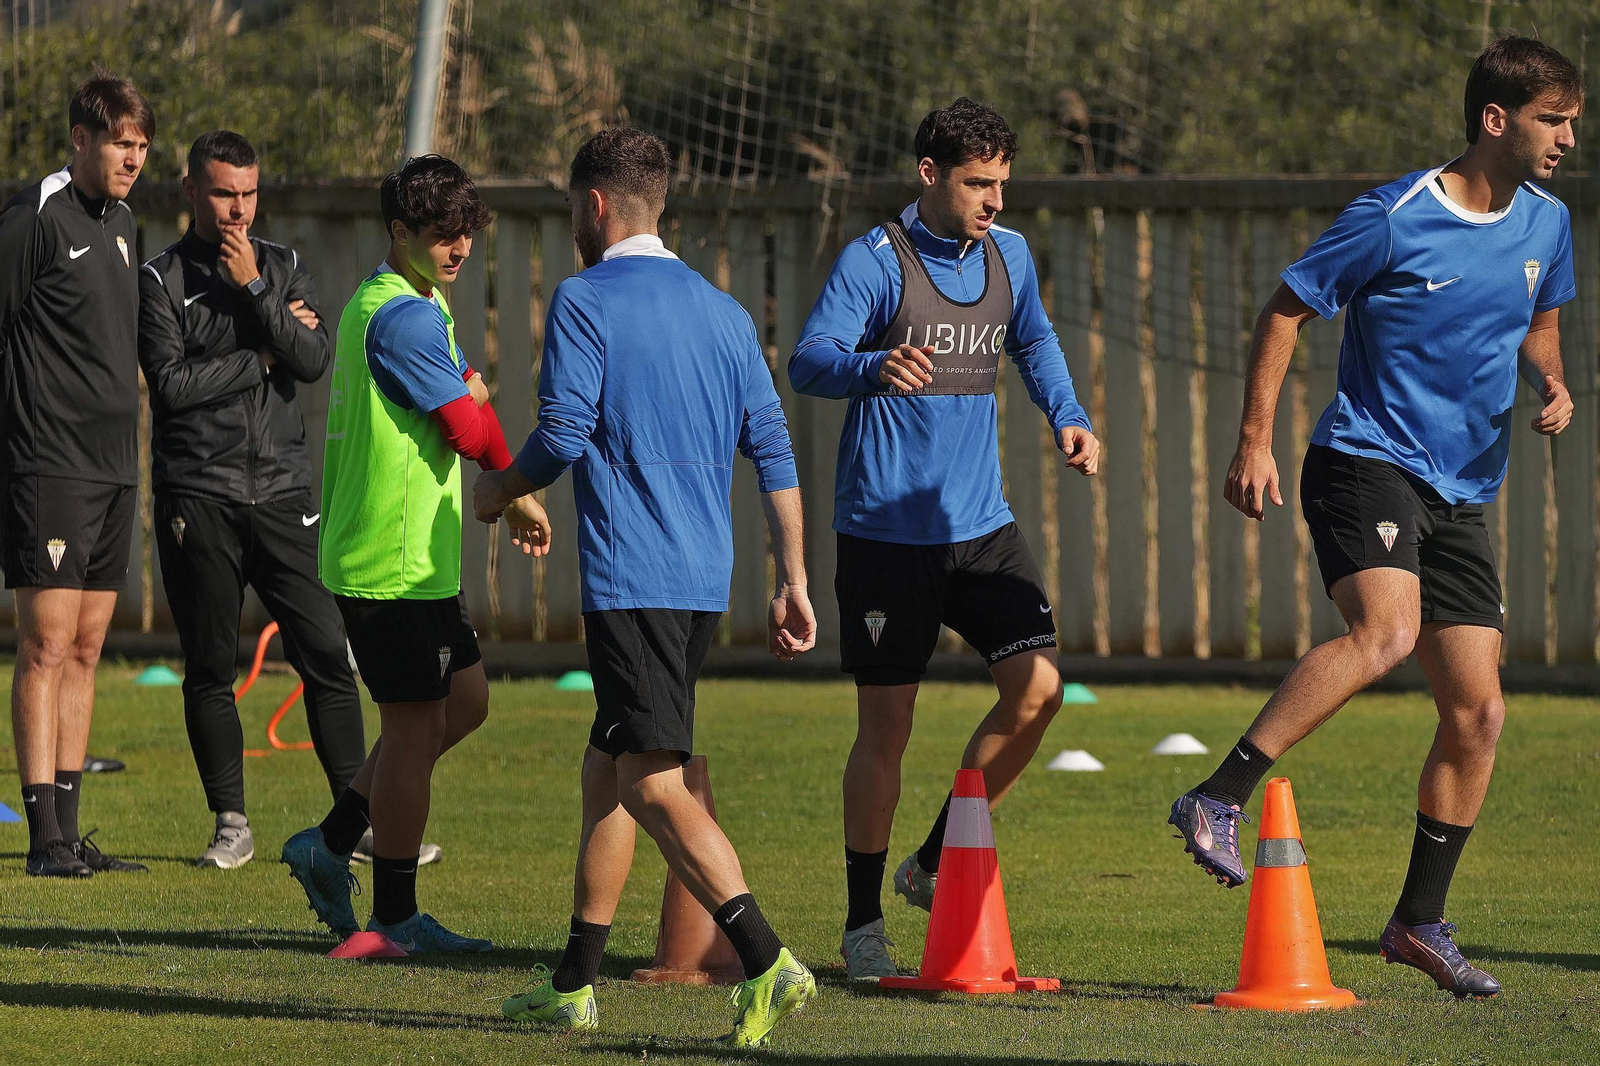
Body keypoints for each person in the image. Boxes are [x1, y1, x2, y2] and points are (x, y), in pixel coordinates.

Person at [1168, 36, 1581, 999]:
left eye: (1570, 121)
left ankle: (1417, 923)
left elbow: (1542, 319)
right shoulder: (1393, 216)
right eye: (1552, 120)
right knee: (1385, 635)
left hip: (1462, 491)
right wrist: (1254, 439)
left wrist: (1552, 379)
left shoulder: (1549, 224)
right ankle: (1216, 796)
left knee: (1478, 715)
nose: (1568, 138)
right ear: (1495, 120)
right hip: (1365, 464)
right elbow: (1284, 311)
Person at [476, 127, 818, 1046]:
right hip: (704, 578)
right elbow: (775, 450)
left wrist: (501, 487)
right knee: (608, 774)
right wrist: (793, 578)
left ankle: (767, 959)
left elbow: (564, 432)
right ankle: (574, 982)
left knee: (655, 783)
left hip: (634, 578)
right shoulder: (725, 314)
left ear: (593, 207)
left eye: (568, 214)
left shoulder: (586, 300)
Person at [788, 98, 1100, 978]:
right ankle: (861, 927)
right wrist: (869, 366)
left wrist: (1067, 417)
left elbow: (1033, 341)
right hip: (888, 534)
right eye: (977, 183)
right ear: (930, 175)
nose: (994, 199)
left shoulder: (1010, 255)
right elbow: (807, 359)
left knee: (1039, 689)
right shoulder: (875, 262)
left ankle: (931, 862)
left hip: (982, 526)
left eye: (1002, 183)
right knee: (887, 730)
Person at [280, 155, 550, 951]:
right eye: (440, 235)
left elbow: (464, 384)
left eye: (466, 233)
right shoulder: (399, 315)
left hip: (413, 562)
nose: (458, 247)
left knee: (460, 706)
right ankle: (395, 918)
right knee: (414, 725)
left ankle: (327, 844)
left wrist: (489, 439)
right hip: (387, 562)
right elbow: (468, 425)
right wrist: (513, 487)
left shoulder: (411, 301)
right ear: (399, 232)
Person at [138, 129, 370, 869]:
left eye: (247, 194)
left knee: (327, 655)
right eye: (222, 194)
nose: (237, 210)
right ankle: (230, 823)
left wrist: (257, 292)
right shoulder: (160, 279)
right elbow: (172, 388)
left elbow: (312, 360)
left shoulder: (281, 265)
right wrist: (258, 355)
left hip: (280, 490)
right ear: (190, 193)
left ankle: (354, 821)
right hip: (196, 493)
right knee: (211, 666)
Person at [0, 70, 154, 878]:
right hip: (47, 465)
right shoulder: (33, 217)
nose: (131, 158)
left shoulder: (125, 221)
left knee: (90, 646)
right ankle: (40, 839)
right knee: (46, 643)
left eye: (140, 145)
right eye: (118, 142)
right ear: (80, 140)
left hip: (113, 469)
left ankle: (71, 828)